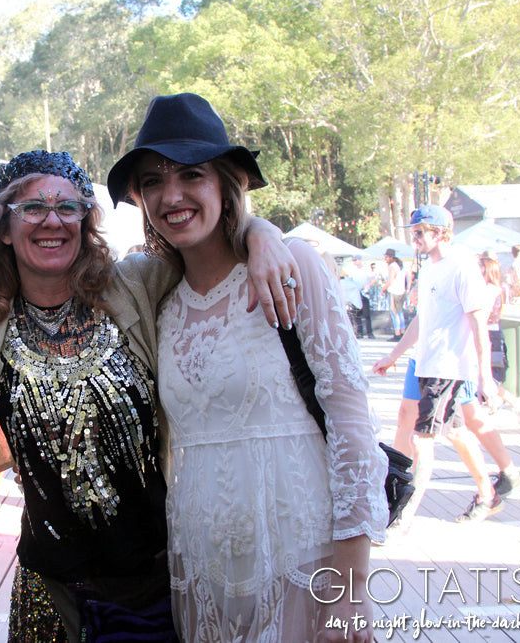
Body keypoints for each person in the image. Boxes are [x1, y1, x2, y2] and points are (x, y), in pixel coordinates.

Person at [0, 149, 300, 643]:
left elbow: (209, 246)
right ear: (2, 225)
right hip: (51, 588)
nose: (52, 221)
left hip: (158, 578)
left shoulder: (136, 284)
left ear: (86, 220)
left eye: (68, 207)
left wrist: (262, 233)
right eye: (32, 208)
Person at [106, 93, 386, 643]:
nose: (172, 195)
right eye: (153, 180)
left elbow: (352, 424)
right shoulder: (158, 296)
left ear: (226, 183)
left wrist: (351, 590)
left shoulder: (292, 266)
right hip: (202, 566)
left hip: (298, 552)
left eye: (191, 174)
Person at [373, 205, 520, 528]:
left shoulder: (463, 266)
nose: (413, 240)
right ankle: (488, 492)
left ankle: (402, 513)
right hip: (423, 364)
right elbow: (421, 320)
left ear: (439, 232)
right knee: (451, 429)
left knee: (422, 439)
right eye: (412, 233)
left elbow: (478, 324)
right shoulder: (429, 267)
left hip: (447, 368)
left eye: (418, 233)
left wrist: (484, 376)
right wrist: (394, 355)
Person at [479, 255, 520, 421]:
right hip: (490, 332)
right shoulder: (493, 288)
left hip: (489, 334)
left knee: (490, 376)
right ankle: (501, 402)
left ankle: (513, 402)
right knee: (483, 374)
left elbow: (482, 314)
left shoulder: (490, 289)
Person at [347, 255, 375, 338]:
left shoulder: (366, 269)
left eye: (356, 260)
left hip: (364, 293)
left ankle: (369, 333)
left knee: (367, 314)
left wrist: (367, 286)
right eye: (354, 261)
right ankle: (359, 332)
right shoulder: (352, 270)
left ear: (360, 260)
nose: (355, 262)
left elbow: (373, 280)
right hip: (356, 293)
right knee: (356, 314)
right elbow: (350, 280)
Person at [382, 247, 407, 340]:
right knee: (400, 313)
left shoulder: (392, 266)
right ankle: (402, 332)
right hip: (401, 291)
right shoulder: (399, 266)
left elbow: (390, 282)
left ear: (391, 257)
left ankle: (397, 333)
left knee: (395, 313)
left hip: (394, 291)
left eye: (386, 257)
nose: (385, 259)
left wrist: (383, 289)